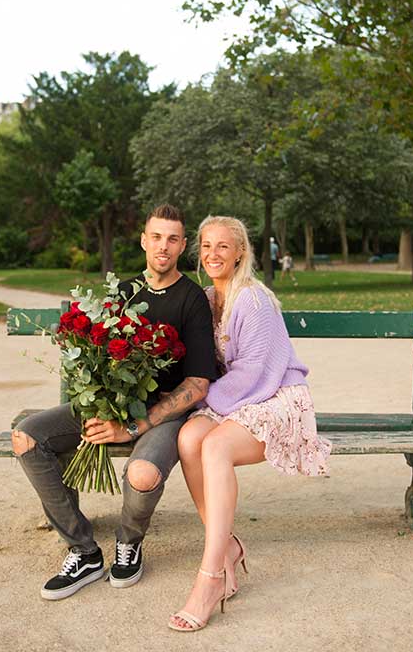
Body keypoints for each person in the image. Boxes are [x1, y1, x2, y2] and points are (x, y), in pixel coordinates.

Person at [13, 204, 219, 599]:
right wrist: (100, 407)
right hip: (111, 402)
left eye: (173, 239)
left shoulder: (192, 300)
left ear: (182, 246)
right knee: (27, 437)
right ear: (143, 240)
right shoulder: (122, 292)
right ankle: (83, 550)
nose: (164, 246)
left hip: (163, 413)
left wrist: (134, 427)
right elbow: (98, 356)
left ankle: (128, 542)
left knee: (141, 475)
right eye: (156, 237)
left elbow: (196, 385)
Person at [168, 215, 332, 632]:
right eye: (206, 246)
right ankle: (228, 548)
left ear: (241, 251)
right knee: (189, 439)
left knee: (215, 447)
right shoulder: (206, 298)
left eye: (223, 246)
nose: (212, 254)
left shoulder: (253, 299)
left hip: (275, 396)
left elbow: (254, 371)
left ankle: (210, 579)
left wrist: (202, 400)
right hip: (234, 401)